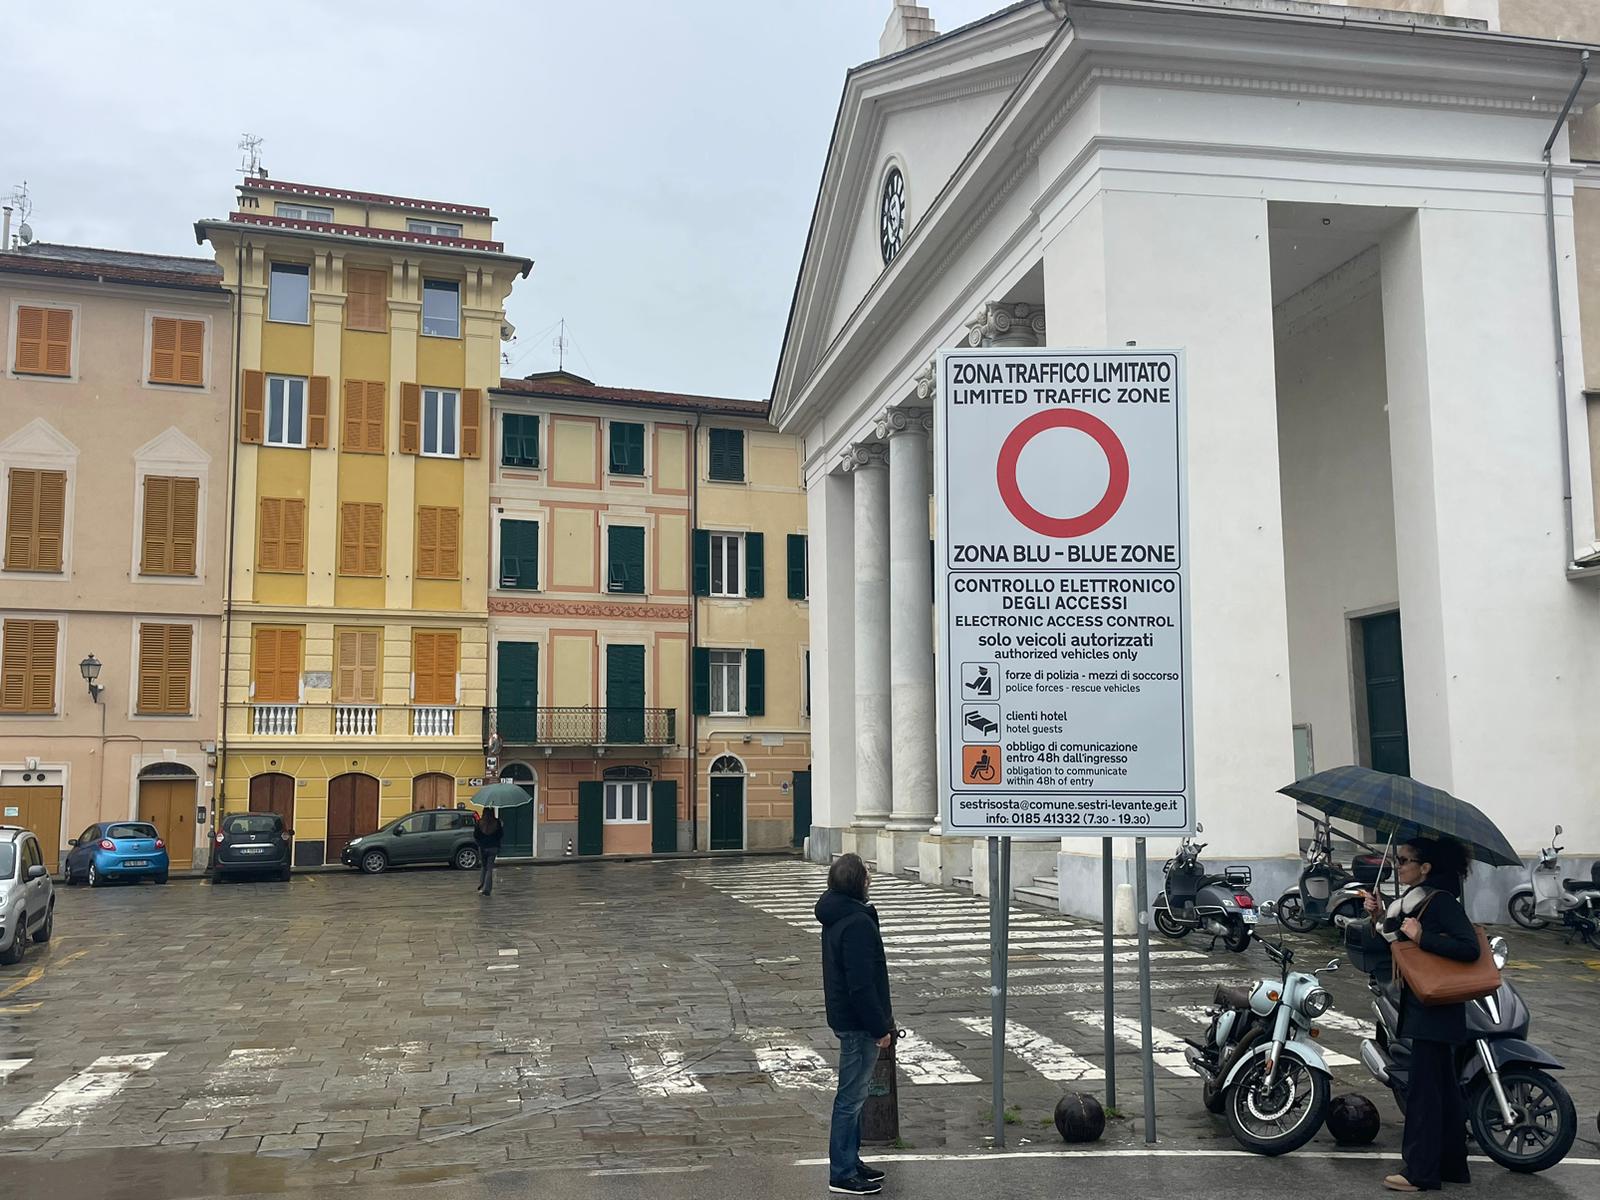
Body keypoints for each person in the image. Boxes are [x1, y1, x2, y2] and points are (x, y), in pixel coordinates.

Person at [1363, 836, 1480, 1192]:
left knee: (1425, 1095)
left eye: (1404, 860)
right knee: (1443, 1091)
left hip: (1437, 1009)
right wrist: (1379, 915)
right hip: (1429, 1009)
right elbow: (1395, 939)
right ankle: (1452, 1166)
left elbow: (1469, 948)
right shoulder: (1416, 903)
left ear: (1425, 867)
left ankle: (1420, 1173)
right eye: (1397, 860)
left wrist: (1424, 937)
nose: (1398, 866)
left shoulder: (1441, 903)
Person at [815, 852, 894, 1196]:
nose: (870, 881)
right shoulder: (856, 922)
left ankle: (852, 1158)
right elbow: (861, 983)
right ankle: (842, 1172)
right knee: (850, 1097)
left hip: (847, 1016)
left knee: (856, 1096)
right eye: (866, 876)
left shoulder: (839, 914)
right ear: (857, 883)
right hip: (858, 1021)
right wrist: (880, 1027)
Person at [474, 807, 503, 896]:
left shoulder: (479, 822)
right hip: (493, 847)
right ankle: (487, 889)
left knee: (483, 866)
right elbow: (500, 835)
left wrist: (480, 843)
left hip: (482, 847)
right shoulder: (497, 822)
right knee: (489, 868)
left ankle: (482, 885)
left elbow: (476, 835)